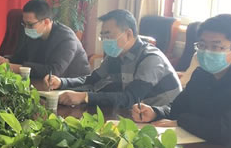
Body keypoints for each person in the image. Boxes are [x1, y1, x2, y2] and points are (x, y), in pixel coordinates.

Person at [132, 14, 231, 148]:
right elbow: (178, 109)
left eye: (215, 46)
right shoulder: (203, 73)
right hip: (201, 146)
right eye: (202, 45)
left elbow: (225, 133)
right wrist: (156, 112)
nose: (207, 52)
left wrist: (181, 122)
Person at [45, 9, 181, 110]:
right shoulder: (116, 55)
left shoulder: (150, 59)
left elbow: (130, 98)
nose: (105, 41)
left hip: (164, 118)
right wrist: (62, 82)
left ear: (128, 34)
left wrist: (85, 97)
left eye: (108, 36)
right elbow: (93, 79)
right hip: (135, 113)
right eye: (102, 36)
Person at [0, 0, 90, 79]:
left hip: (73, 87)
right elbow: (20, 56)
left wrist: (14, 68)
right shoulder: (35, 33)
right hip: (44, 85)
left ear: (46, 22)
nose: (26, 28)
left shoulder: (67, 39)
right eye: (24, 24)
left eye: (30, 24)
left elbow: (53, 71)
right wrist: (6, 60)